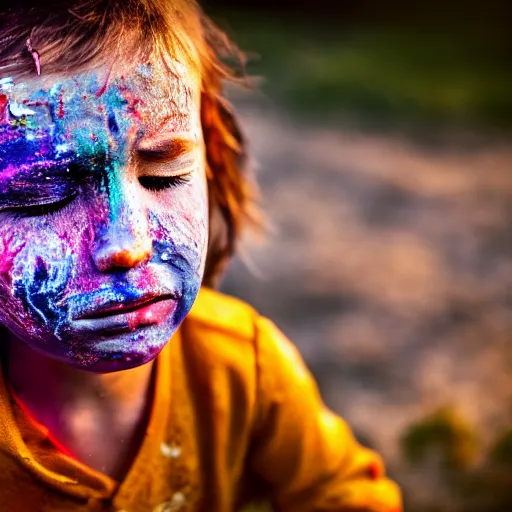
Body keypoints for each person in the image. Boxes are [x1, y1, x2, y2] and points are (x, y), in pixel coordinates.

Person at [0, 1, 402, 511]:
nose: (129, 242)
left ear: (209, 152)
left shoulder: (241, 368)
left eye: (163, 175)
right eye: (42, 194)